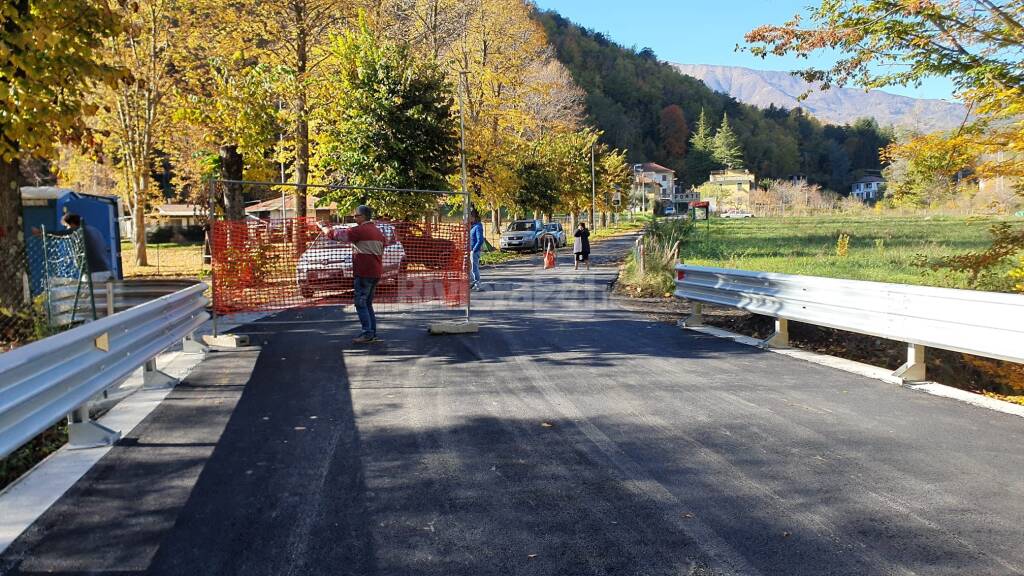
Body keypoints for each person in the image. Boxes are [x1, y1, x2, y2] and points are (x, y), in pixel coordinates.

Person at [319, 205, 385, 344]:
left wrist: (324, 228)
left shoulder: (359, 230)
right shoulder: (378, 232)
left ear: (364, 216)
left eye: (356, 215)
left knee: (361, 304)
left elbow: (336, 235)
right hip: (375, 272)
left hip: (363, 272)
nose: (354, 217)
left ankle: (367, 334)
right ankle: (372, 333)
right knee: (367, 303)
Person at [33, 213, 113, 283]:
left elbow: (63, 233)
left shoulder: (79, 230)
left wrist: (43, 233)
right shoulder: (94, 230)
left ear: (72, 224)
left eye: (67, 226)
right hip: (106, 270)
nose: (67, 229)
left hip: (93, 274)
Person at [469, 209, 484, 290]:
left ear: (473, 217)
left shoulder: (478, 227)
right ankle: (473, 282)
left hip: (474, 251)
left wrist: (474, 250)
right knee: (468, 268)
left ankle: (477, 284)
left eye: (470, 217)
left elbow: (480, 240)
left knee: (474, 268)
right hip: (469, 250)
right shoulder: (472, 226)